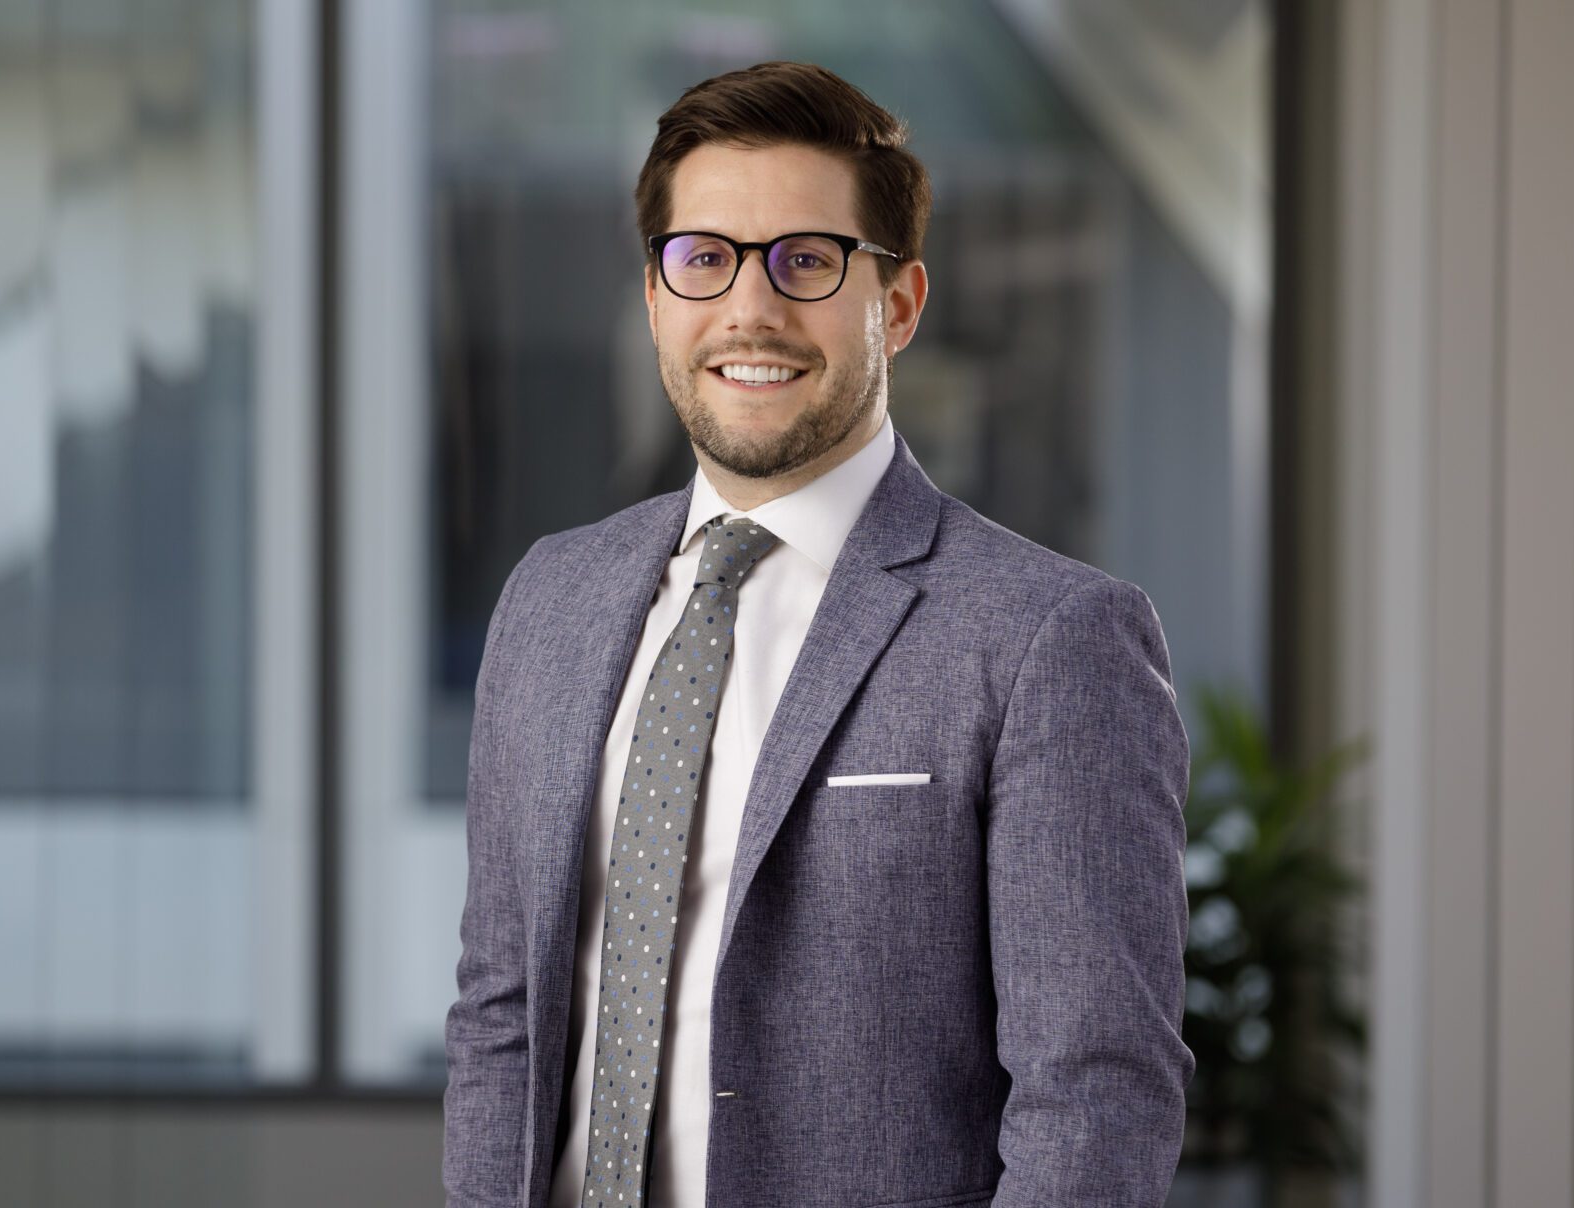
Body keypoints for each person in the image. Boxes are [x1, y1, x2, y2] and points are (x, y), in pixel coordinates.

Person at [442, 60, 1192, 1208]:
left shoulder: (1050, 639)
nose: (749, 309)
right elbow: (501, 1013)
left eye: (806, 259)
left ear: (894, 303)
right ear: (653, 297)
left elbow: (1095, 1093)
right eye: (703, 259)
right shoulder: (550, 598)